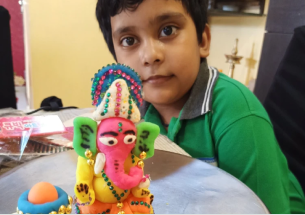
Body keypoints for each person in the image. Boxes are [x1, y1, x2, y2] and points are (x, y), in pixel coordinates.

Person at [95, 0, 305, 213]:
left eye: (168, 30)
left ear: (202, 41)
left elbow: (264, 209)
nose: (150, 56)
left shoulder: (236, 113)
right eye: (129, 40)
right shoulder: (132, 112)